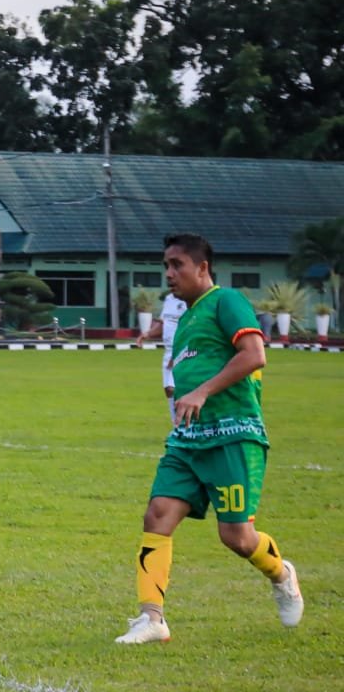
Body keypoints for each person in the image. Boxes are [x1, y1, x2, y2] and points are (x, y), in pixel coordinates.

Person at [117, 234, 303, 644]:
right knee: (158, 515)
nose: (169, 273)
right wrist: (182, 392)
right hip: (188, 440)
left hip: (233, 435)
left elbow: (254, 354)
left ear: (202, 268)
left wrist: (202, 391)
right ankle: (152, 618)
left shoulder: (227, 301)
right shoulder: (185, 319)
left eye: (177, 264)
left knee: (236, 537)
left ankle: (282, 574)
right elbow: (196, 367)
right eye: (166, 265)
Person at [139, 290, 189, 420]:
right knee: (168, 390)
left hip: (183, 350)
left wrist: (178, 353)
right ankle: (177, 426)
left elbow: (190, 327)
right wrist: (147, 334)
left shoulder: (188, 300)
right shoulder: (169, 299)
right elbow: (163, 323)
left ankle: (185, 426)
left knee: (175, 389)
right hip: (168, 351)